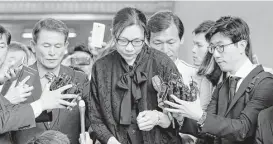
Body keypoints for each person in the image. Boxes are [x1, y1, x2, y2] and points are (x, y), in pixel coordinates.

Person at [164, 16, 273, 144]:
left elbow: (243, 129)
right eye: (213, 48)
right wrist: (182, 118)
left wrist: (200, 115)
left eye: (221, 47)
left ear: (242, 45)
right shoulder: (223, 86)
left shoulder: (266, 83)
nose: (215, 54)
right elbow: (207, 130)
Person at [87, 7, 182, 144]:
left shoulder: (162, 63)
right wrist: (111, 141)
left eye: (137, 41)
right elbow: (95, 117)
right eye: (123, 40)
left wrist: (159, 118)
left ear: (145, 36)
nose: (130, 48)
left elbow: (181, 117)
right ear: (114, 36)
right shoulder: (101, 67)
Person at [2, 18, 90, 144]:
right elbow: (3, 123)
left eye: (58, 46)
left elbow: (94, 121)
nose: (52, 52)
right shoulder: (15, 79)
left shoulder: (80, 79)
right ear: (33, 46)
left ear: (65, 46)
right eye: (46, 46)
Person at [147, 12, 215, 111]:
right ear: (148, 42)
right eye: (158, 42)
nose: (165, 50)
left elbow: (201, 119)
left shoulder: (198, 77)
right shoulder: (139, 74)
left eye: (171, 42)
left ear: (181, 39)